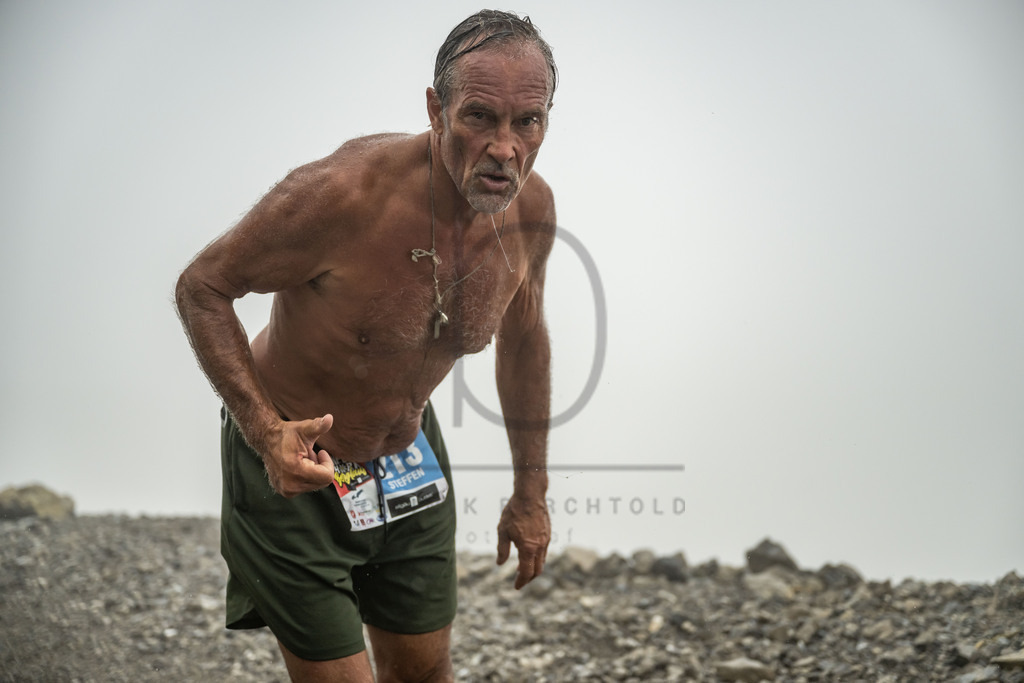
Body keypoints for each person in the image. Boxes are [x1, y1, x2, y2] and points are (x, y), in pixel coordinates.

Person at [174, 9, 558, 683]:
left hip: (408, 459)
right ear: (436, 110)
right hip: (293, 462)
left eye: (527, 121)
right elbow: (202, 286)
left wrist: (531, 491)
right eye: (479, 117)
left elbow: (524, 338)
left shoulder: (530, 214)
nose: (505, 148)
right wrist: (265, 433)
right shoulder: (342, 196)